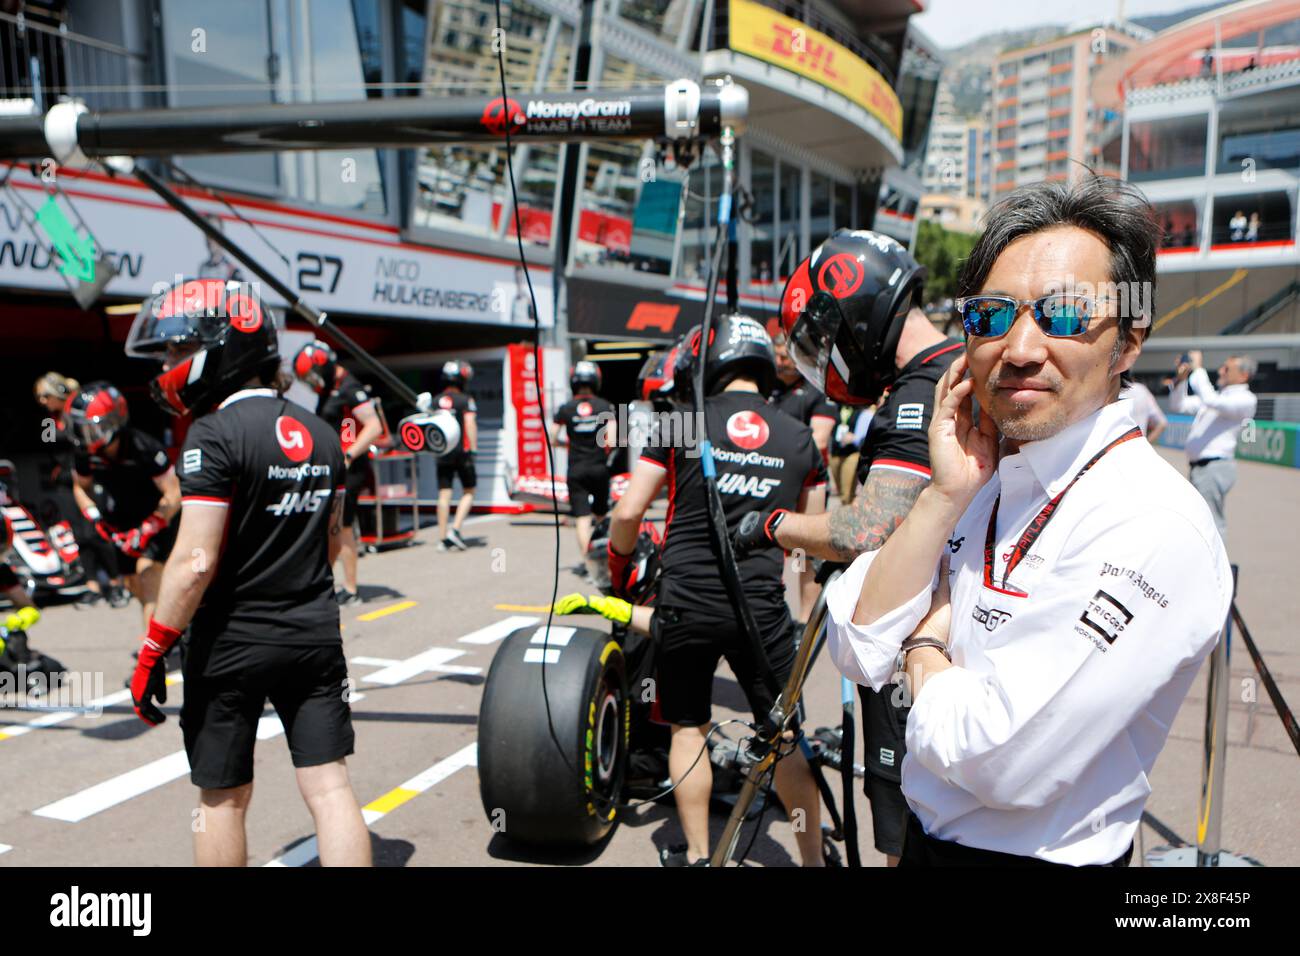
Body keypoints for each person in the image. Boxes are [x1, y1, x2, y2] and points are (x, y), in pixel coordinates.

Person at [824, 175, 1231, 867]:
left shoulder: (1154, 519)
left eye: (1066, 315)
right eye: (990, 316)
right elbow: (858, 646)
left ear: (1128, 344)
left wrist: (922, 648)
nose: (1018, 348)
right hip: (925, 844)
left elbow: (1000, 759)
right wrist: (942, 496)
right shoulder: (980, 477)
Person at [733, 228, 962, 866]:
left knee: (901, 827)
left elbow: (867, 528)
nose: (825, 356)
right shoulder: (945, 368)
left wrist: (774, 524)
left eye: (824, 337)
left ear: (852, 314)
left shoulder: (923, 392)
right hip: (942, 638)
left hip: (913, 650)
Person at [127, 283, 370, 867]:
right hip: (314, 633)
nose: (167, 366)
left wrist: (153, 648)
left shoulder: (211, 436)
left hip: (231, 642)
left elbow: (194, 562)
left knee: (222, 800)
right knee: (330, 788)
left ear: (219, 350)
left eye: (174, 352)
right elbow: (332, 541)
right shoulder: (321, 433)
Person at [608, 312, 828, 867]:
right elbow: (810, 546)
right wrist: (802, 617)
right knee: (782, 740)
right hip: (762, 610)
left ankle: (703, 857)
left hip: (685, 603)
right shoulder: (801, 437)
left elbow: (629, 512)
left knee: (688, 727)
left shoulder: (681, 423)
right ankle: (812, 862)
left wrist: (618, 565)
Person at [67, 382, 180, 627]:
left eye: (90, 429)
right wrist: (94, 516)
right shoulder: (84, 453)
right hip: (119, 522)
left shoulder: (144, 447)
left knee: (148, 573)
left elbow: (174, 492)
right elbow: (80, 487)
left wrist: (151, 525)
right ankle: (165, 626)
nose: (83, 436)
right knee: (133, 583)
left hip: (156, 519)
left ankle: (153, 650)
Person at [293, 340, 384, 606]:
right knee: (329, 527)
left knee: (342, 527)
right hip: (331, 468)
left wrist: (348, 455)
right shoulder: (329, 388)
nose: (311, 381)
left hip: (349, 470)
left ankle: (351, 589)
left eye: (312, 375)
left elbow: (374, 426)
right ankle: (324, 581)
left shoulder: (349, 387)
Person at [32, 372, 126, 607]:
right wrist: (56, 424)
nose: (43, 402)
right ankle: (92, 585)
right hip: (65, 481)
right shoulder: (49, 421)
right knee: (80, 536)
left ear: (57, 392)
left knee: (100, 531)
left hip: (91, 477)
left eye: (45, 396)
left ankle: (116, 584)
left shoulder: (81, 408)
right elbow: (48, 443)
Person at [769, 332, 838, 621]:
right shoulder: (770, 390)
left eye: (785, 357)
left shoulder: (816, 392)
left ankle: (804, 619)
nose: (779, 362)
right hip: (770, 484)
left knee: (801, 556)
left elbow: (818, 439)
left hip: (805, 490)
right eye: (776, 356)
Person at [1169, 351, 1257, 543]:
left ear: (1244, 375)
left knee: (1211, 523)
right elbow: (1179, 405)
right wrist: (1181, 380)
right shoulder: (1219, 396)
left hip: (1215, 467)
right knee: (1199, 521)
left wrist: (1198, 369)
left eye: (1227, 368)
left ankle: (1218, 571)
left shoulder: (1245, 399)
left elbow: (1210, 400)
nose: (1221, 371)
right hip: (1202, 468)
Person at [552, 360, 615, 571]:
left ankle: (589, 565)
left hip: (576, 469)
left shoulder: (565, 408)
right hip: (599, 468)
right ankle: (606, 562)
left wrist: (566, 444)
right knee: (601, 516)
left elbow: (551, 437)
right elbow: (612, 441)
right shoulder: (605, 406)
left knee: (581, 518)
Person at [433, 360, 478, 552]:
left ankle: (442, 538)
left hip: (442, 452)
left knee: (444, 494)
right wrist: (473, 448)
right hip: (462, 452)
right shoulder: (465, 400)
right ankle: (456, 530)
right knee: (469, 490)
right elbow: (470, 423)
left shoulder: (435, 401)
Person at [1120, 379, 1167, 443]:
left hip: (1113, 449)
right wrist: (1146, 444)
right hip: (1138, 448)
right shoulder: (1141, 390)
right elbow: (1162, 423)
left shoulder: (1109, 392)